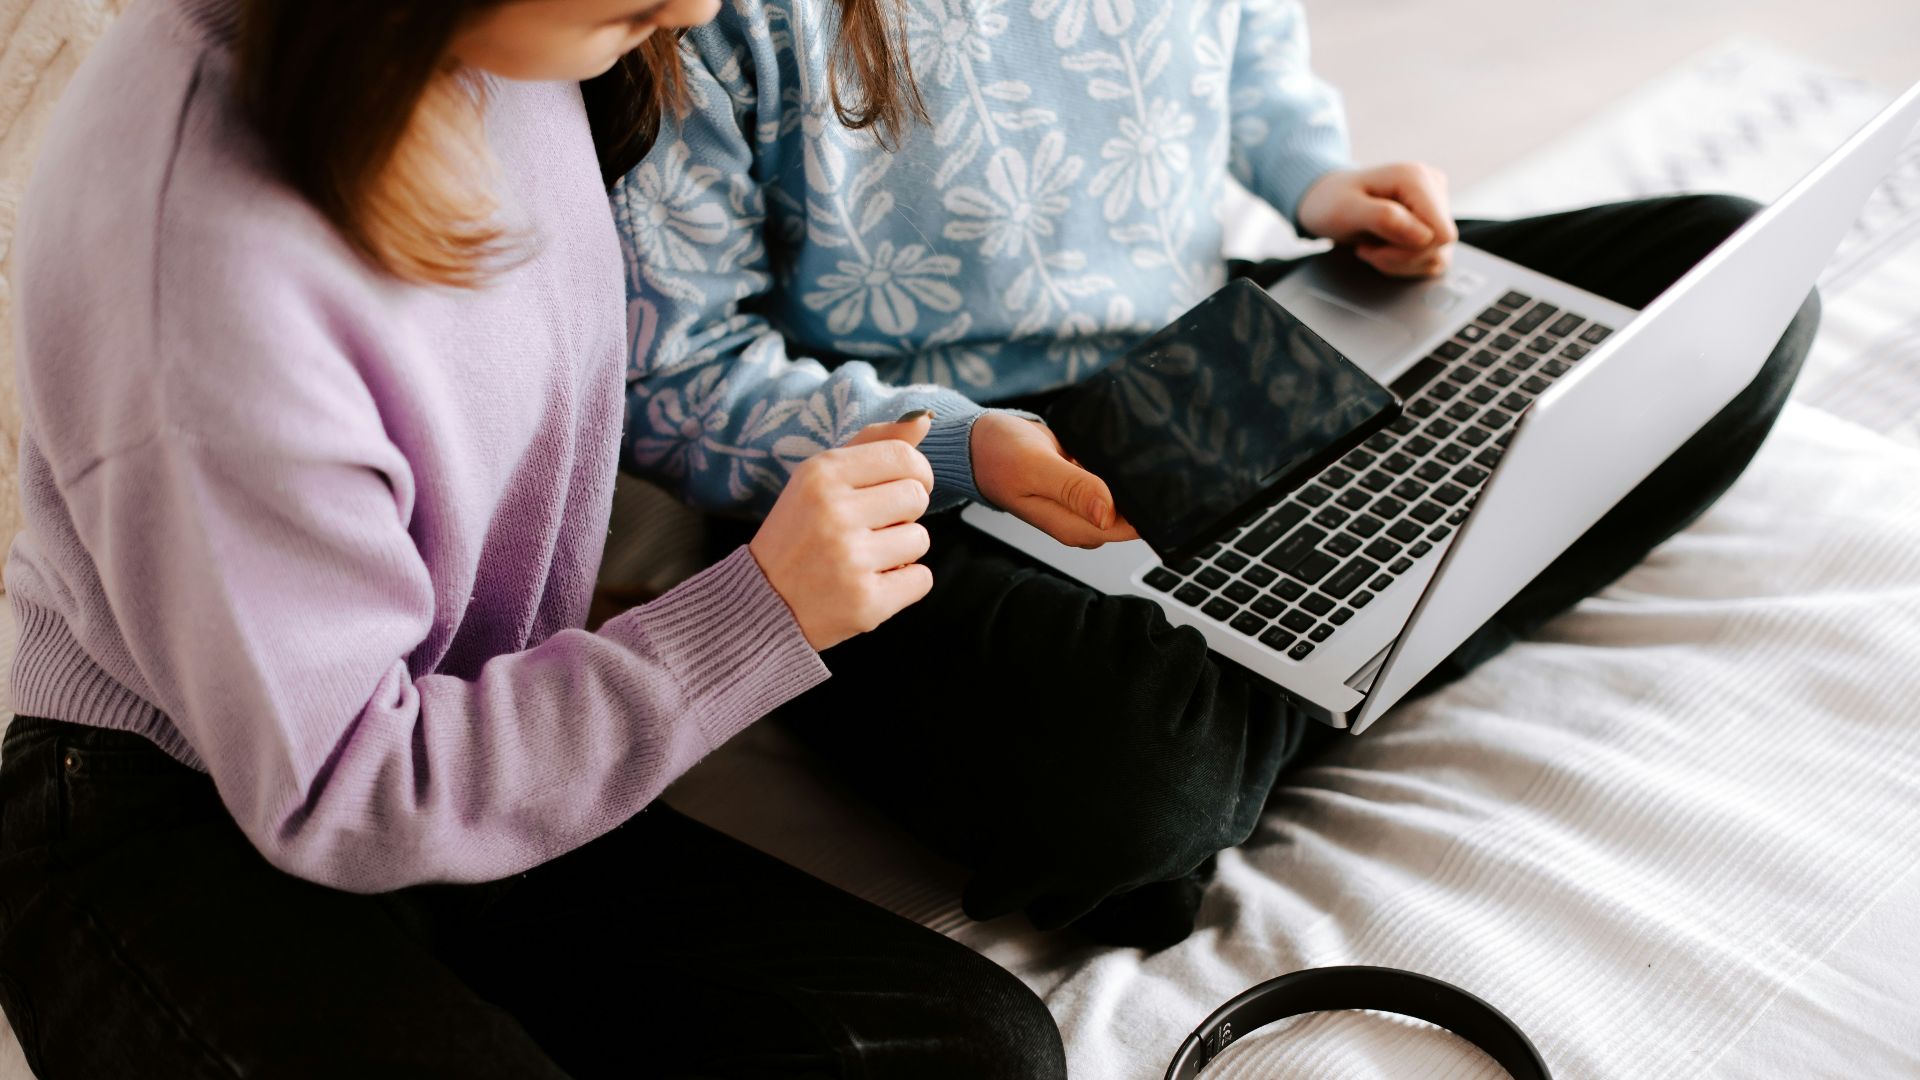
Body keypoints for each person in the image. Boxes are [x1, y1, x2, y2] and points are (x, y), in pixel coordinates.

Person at [605, 0, 1819, 948]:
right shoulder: (702, 17)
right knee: (1132, 775)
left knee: (1738, 282)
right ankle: (1354, 627)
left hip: (1214, 347)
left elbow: (1247, 56)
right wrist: (965, 448)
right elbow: (679, 375)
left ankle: (1305, 661)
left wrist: (1315, 178)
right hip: (917, 466)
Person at [0, 0, 1067, 1076]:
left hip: (468, 746)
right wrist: (754, 616)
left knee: (980, 1054)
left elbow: (652, 377)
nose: (696, 10)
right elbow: (347, 791)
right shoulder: (204, 255)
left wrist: (942, 449)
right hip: (176, 805)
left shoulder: (523, 44)